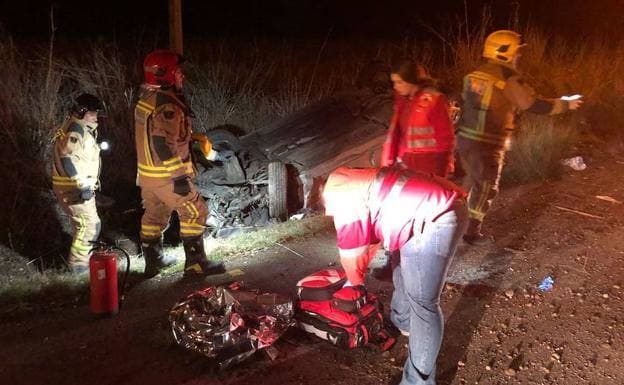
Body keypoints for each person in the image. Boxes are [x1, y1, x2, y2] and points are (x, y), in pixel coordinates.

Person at [322, 166, 468, 385]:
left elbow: (352, 242)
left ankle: (418, 382)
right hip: (433, 205)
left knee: (424, 303)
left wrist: (354, 281)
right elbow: (368, 235)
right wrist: (358, 273)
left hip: (437, 215)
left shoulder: (341, 193)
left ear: (324, 195)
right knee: (397, 263)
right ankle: (402, 321)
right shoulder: (355, 181)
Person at [457, 30, 583, 245]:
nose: (518, 57)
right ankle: (470, 233)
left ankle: (452, 224)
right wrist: (565, 104)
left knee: (468, 182)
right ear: (505, 53)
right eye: (517, 53)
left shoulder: (476, 74)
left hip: (465, 138)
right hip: (488, 141)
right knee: (486, 185)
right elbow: (531, 104)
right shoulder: (506, 77)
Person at [134, 49, 229, 278]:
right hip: (167, 176)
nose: (181, 76)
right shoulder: (168, 105)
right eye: (177, 72)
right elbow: (162, 143)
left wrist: (192, 138)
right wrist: (178, 177)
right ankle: (196, 265)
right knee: (195, 212)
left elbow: (155, 135)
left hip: (148, 176)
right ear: (164, 74)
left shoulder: (146, 99)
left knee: (155, 216)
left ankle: (153, 262)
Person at [372, 60, 456, 280]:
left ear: (411, 81)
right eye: (393, 82)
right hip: (402, 168)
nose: (395, 86)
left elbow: (445, 141)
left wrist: (438, 178)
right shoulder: (403, 99)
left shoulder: (434, 101)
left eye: (399, 82)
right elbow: (397, 132)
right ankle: (393, 264)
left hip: (426, 171)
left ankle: (418, 269)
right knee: (393, 218)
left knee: (418, 223)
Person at [52, 93, 104, 274]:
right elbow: (68, 160)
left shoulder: (78, 127)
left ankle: (81, 264)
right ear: (81, 112)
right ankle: (78, 268)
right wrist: (82, 185)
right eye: (92, 112)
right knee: (88, 226)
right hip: (74, 189)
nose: (96, 116)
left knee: (87, 225)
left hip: (73, 188)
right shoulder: (76, 130)